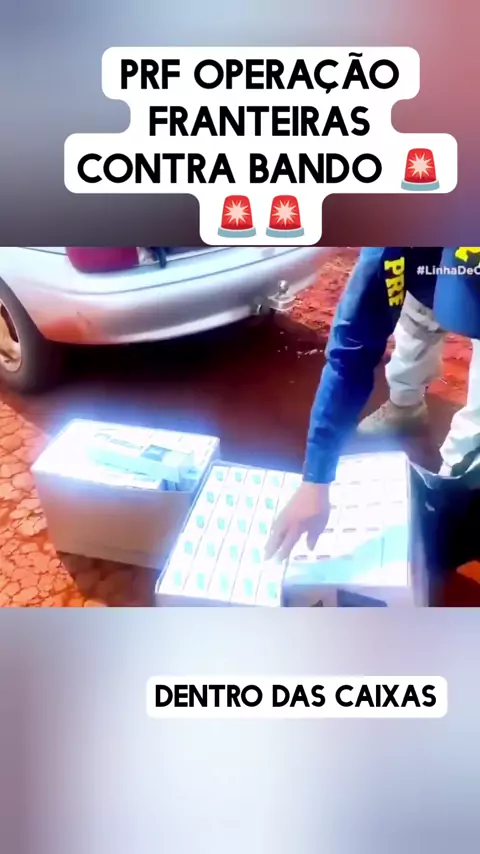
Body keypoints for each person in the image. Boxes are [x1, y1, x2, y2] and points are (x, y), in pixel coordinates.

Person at [265, 247, 480, 561]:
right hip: (426, 263)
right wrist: (316, 479)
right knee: (418, 312)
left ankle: (456, 484)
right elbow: (350, 356)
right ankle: (404, 409)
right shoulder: (394, 249)